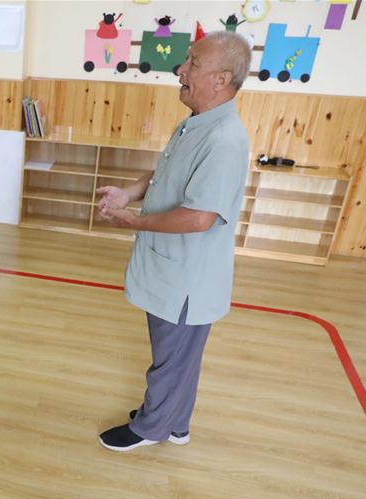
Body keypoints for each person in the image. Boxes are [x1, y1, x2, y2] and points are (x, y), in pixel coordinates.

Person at [96, 31, 251, 451]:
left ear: (221, 79)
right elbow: (165, 173)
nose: (180, 70)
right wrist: (129, 193)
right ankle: (176, 421)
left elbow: (199, 217)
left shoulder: (224, 140)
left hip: (187, 278)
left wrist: (132, 222)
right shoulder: (197, 124)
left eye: (193, 64)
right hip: (172, 269)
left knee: (171, 357)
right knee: (180, 357)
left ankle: (152, 427)